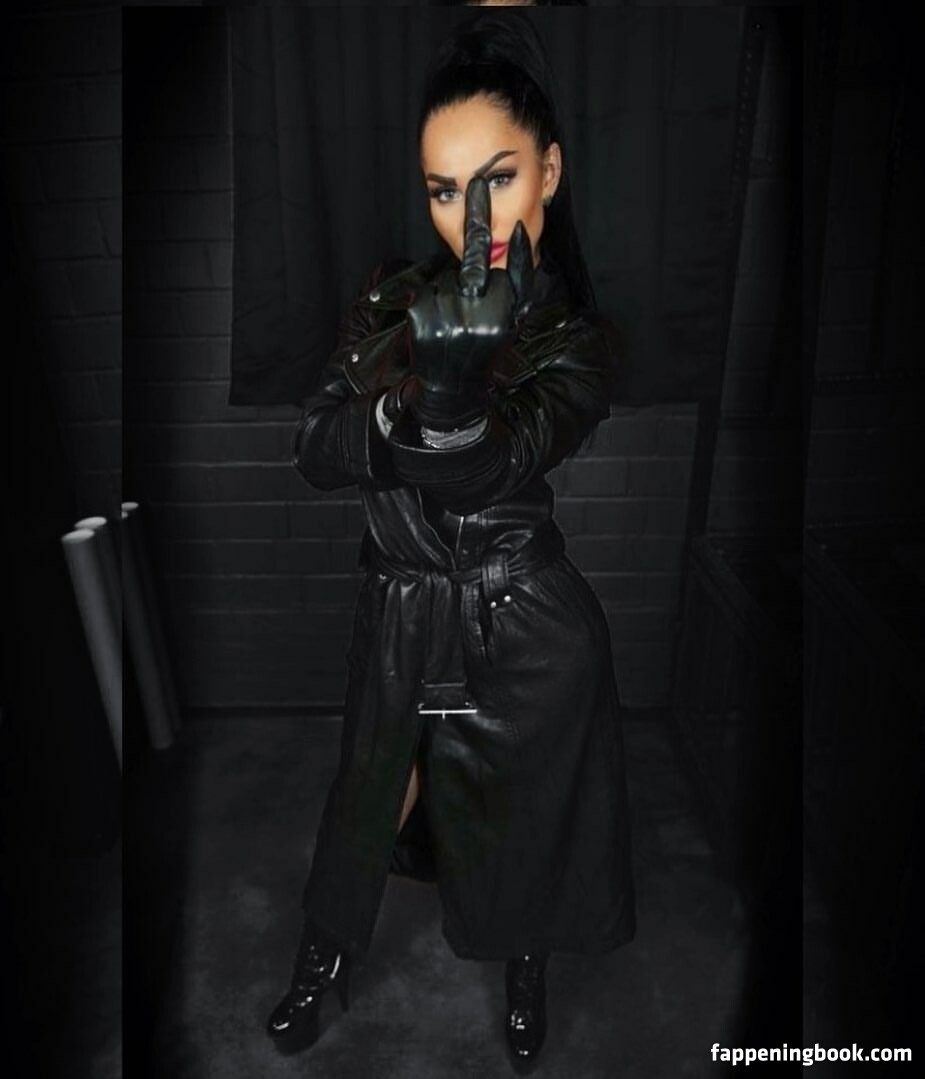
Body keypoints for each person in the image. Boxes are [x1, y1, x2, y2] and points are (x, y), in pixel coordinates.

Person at [267, 11, 636, 1073]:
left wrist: (455, 397)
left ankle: (526, 966)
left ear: (549, 172)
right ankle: (321, 958)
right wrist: (402, 404)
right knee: (365, 805)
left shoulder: (575, 340)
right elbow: (314, 447)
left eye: (497, 180)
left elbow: (491, 466)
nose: (468, 219)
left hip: (521, 623)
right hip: (401, 610)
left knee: (525, 823)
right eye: (443, 189)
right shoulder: (390, 296)